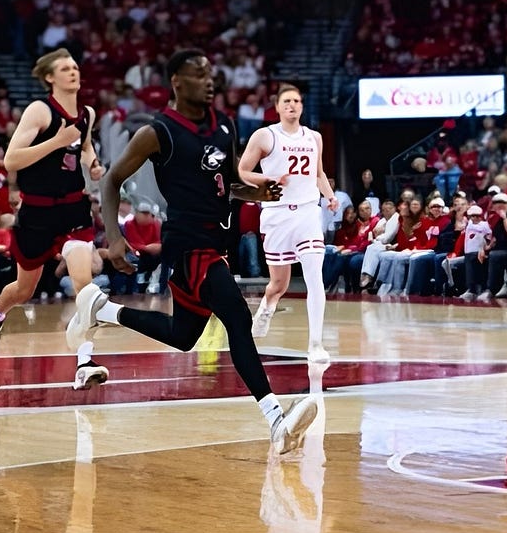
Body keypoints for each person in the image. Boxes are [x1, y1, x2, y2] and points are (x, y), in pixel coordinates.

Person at [70, 49, 317, 453]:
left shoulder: (225, 125)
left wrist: (256, 191)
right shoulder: (158, 132)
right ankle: (275, 420)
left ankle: (102, 310)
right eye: (198, 75)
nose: (208, 81)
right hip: (187, 245)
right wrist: (113, 236)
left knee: (184, 336)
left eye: (210, 74)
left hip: (217, 243)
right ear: (177, 83)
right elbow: (112, 179)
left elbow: (229, 181)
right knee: (237, 316)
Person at [0, 49, 110, 391]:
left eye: (76, 66)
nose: (73, 72)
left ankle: (85, 361)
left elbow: (84, 147)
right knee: (24, 289)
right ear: (50, 77)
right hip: (36, 212)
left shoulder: (87, 113)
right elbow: (11, 161)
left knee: (84, 285)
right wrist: (56, 141)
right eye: (65, 68)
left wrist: (92, 163)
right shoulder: (40, 110)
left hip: (73, 210)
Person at [239, 85, 335, 364]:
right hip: (277, 214)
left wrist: (329, 197)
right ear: (277, 107)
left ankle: (316, 344)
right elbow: (243, 171)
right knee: (278, 284)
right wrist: (267, 181)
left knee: (315, 279)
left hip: (307, 213)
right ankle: (268, 306)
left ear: (302, 106)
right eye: (287, 101)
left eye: (297, 101)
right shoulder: (265, 136)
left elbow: (319, 173)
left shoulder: (314, 137)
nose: (292, 105)